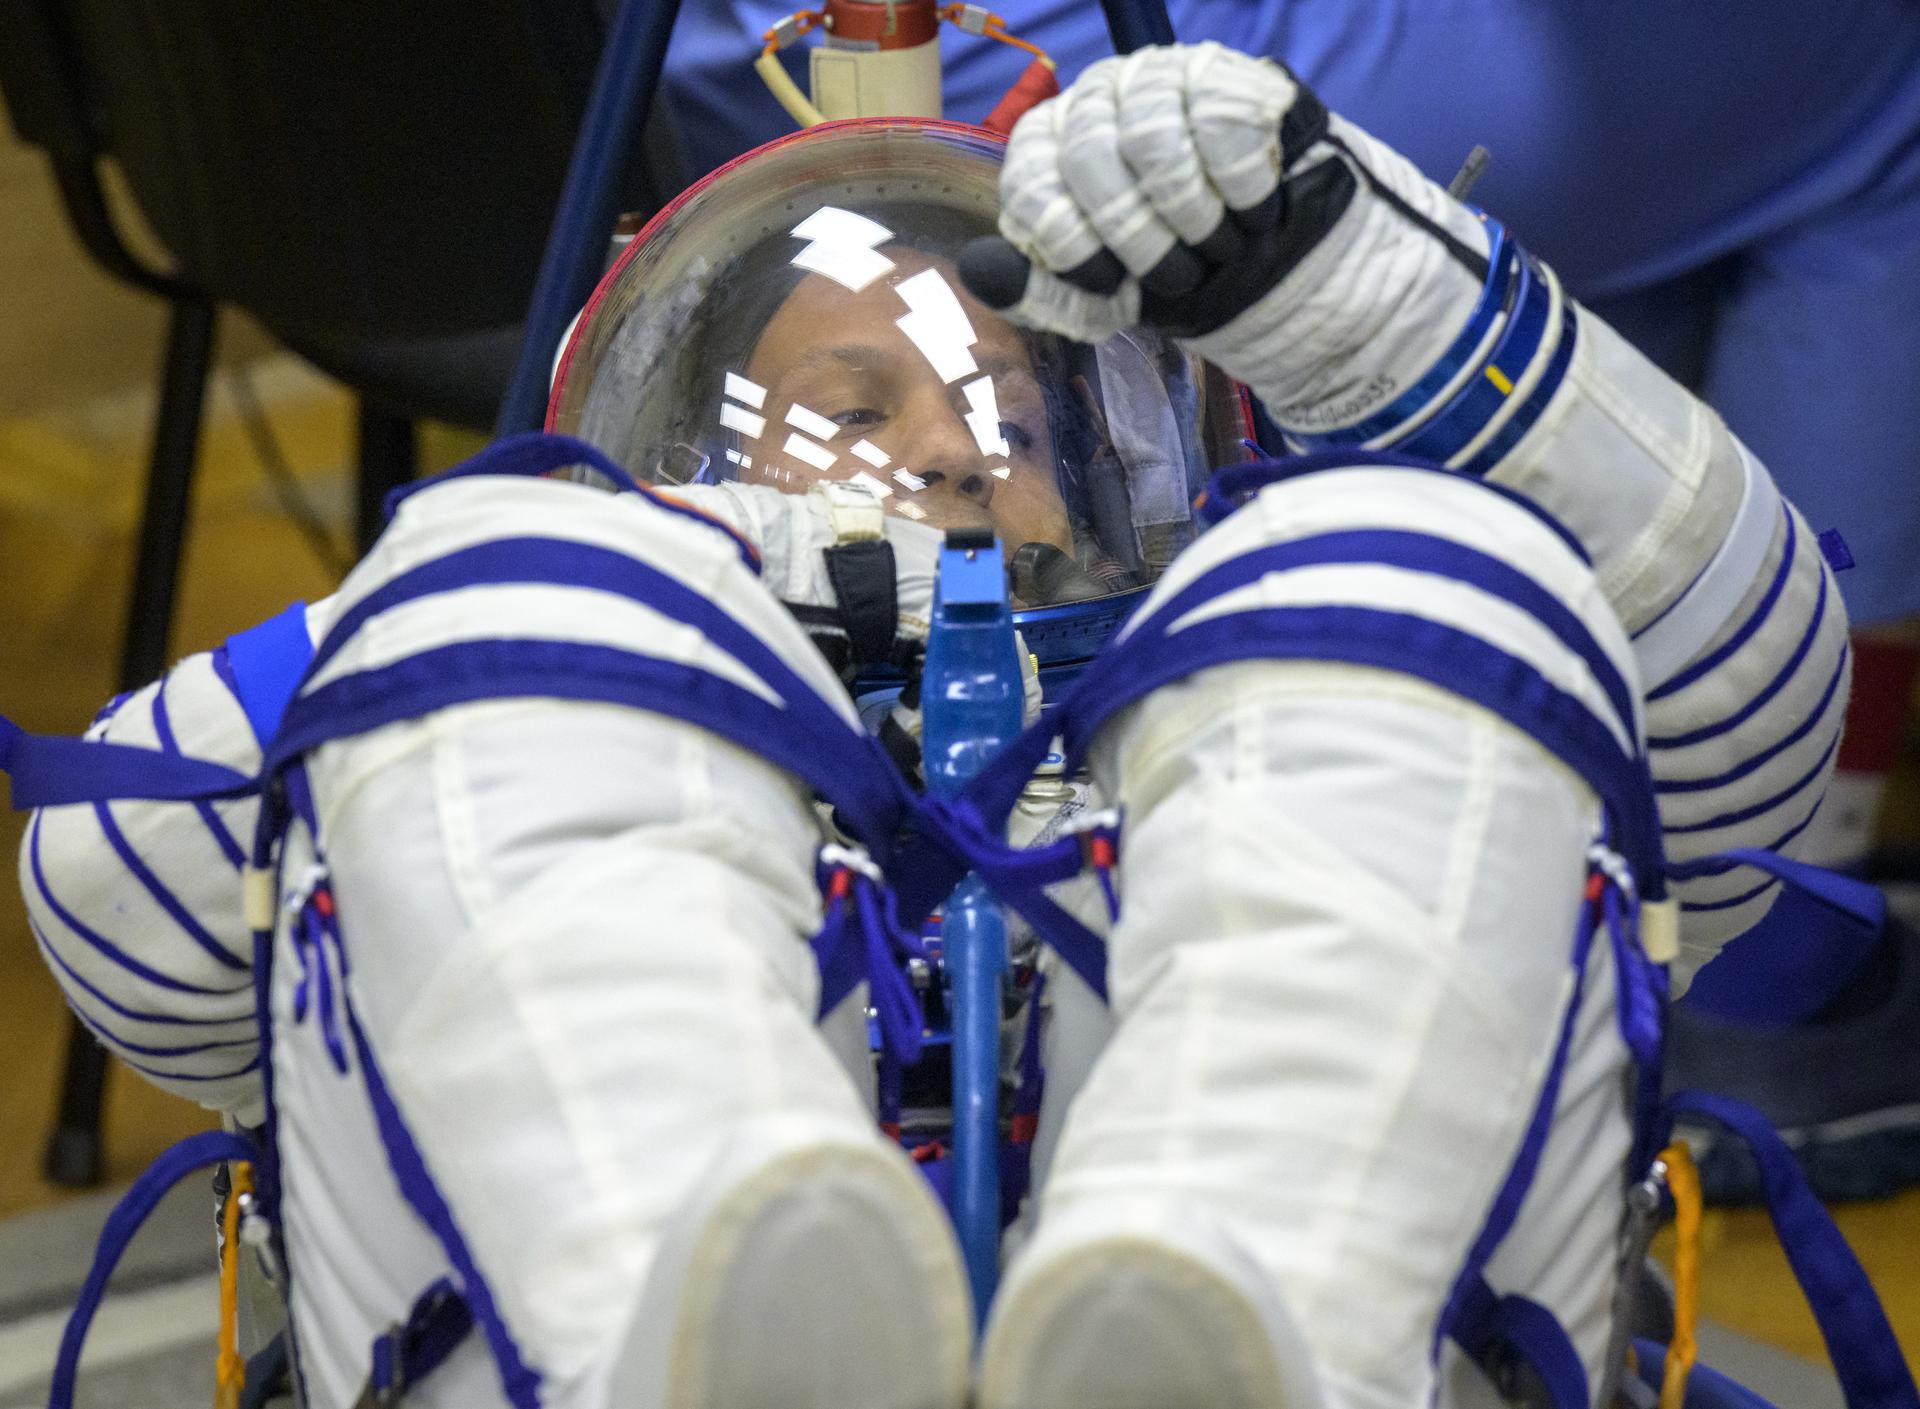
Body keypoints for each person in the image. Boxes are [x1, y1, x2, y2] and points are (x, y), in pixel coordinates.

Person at [19, 43, 1862, 1409]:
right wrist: (576, 603)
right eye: (849, 404)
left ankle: (1221, 1312)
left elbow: (1741, 717)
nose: (944, 443)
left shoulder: (1255, 696)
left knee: (1424, 571)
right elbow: (113, 890)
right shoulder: (547, 695)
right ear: (695, 472)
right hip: (585, 1333)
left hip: (1303, 1346)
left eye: (1015, 415)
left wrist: (1368, 295)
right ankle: (689, 1309)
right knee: (492, 606)